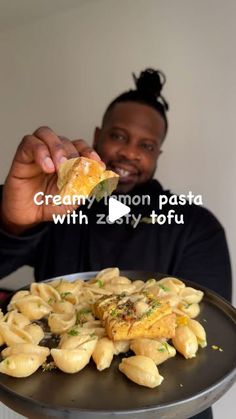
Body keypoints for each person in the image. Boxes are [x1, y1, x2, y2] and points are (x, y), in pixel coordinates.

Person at [0, 69, 232, 419]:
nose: (129, 153)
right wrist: (13, 218)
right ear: (97, 136)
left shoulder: (196, 226)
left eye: (146, 146)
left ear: (158, 154)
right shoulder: (55, 208)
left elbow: (201, 355)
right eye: (118, 136)